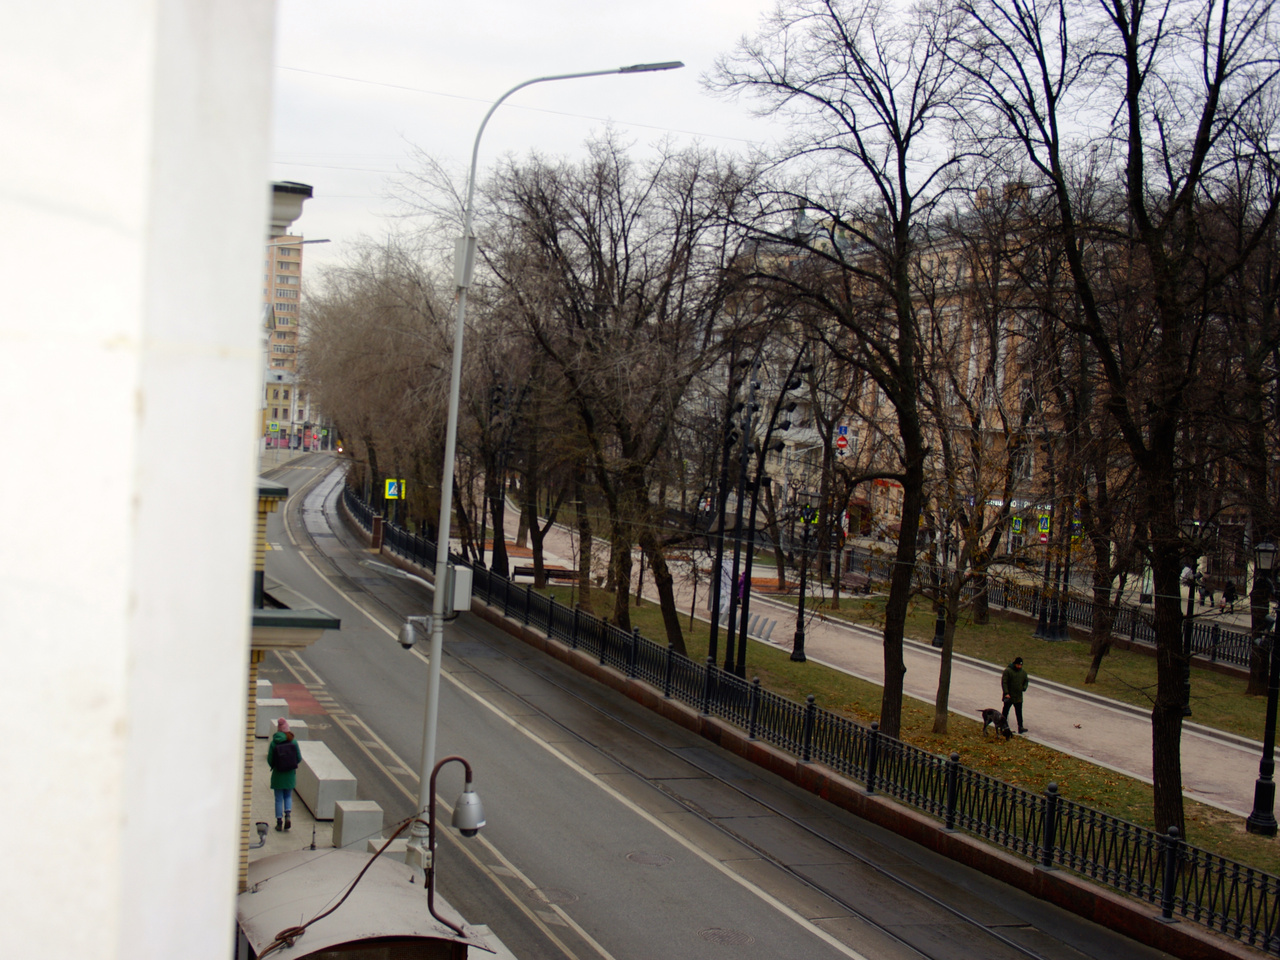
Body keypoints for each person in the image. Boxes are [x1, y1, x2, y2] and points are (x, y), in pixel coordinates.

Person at [267, 718, 301, 831]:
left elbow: (270, 760)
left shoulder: (274, 742)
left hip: (278, 775)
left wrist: (275, 765)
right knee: (288, 796)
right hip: (290, 775)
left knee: (278, 799)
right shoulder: (293, 742)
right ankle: (288, 815)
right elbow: (299, 758)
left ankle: (279, 822)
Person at [1001, 656, 1030, 734]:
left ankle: (1020, 727)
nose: (1019, 666)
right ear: (1015, 664)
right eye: (1018, 665)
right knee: (1005, 712)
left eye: (1021, 665)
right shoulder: (1008, 671)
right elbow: (1004, 683)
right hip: (1009, 696)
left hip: (1018, 697)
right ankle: (1003, 726)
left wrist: (1024, 687)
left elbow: (1026, 681)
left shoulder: (1023, 673)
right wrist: (1006, 693)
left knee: (1019, 713)